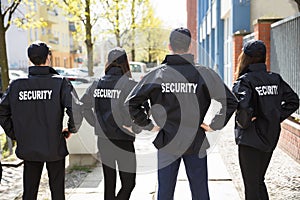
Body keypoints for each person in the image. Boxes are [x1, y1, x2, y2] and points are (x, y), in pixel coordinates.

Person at [125, 27, 238, 200]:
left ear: (169, 46)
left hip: (167, 139)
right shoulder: (204, 73)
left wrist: (147, 124)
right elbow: (230, 100)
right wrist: (214, 124)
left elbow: (132, 102)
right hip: (195, 140)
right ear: (189, 47)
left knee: (165, 193)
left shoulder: (157, 75)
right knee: (200, 192)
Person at [0, 41, 82, 200]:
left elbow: (2, 111)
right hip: (54, 146)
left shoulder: (17, 85)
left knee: (29, 193)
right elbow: (77, 109)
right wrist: (71, 129)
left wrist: (15, 134)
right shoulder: (60, 83)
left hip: (29, 147)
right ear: (48, 58)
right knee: (58, 193)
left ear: (30, 59)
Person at [81, 47, 153, 200]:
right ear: (125, 62)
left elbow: (83, 106)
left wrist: (96, 124)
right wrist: (135, 128)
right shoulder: (130, 85)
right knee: (128, 184)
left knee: (109, 184)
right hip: (124, 140)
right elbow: (144, 108)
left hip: (104, 140)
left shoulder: (97, 84)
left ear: (108, 62)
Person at [232, 39, 299, 200]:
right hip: (270, 136)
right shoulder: (274, 78)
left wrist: (248, 120)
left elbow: (243, 108)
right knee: (258, 181)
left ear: (245, 57)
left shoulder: (245, 81)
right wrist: (275, 117)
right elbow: (294, 101)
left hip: (250, 140)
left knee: (252, 186)